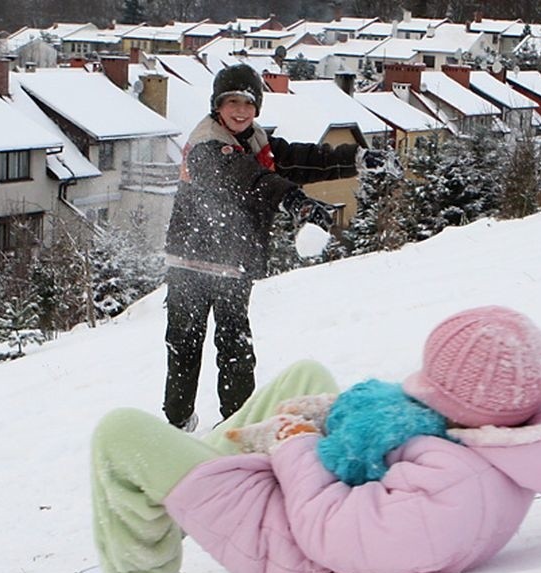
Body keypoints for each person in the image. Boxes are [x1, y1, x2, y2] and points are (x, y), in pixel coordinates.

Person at [73, 305, 541, 573]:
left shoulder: (454, 490)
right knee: (307, 373)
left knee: (121, 432)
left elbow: (329, 532)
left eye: (432, 387)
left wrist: (295, 445)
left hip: (294, 543)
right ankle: (182, 490)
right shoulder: (499, 436)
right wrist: (329, 422)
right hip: (318, 494)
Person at [162, 63, 393, 431]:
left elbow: (299, 158)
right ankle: (177, 424)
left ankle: (238, 423)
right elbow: (253, 181)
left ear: (257, 109)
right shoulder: (207, 147)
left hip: (232, 264)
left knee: (236, 348)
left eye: (247, 103)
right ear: (216, 107)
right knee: (185, 348)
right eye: (231, 102)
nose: (240, 110)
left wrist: (353, 158)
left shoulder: (253, 139)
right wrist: (297, 202)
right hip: (191, 264)